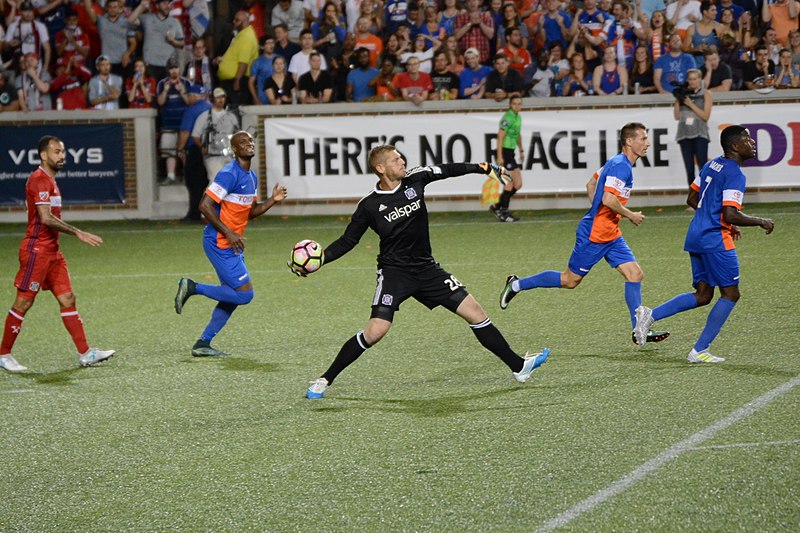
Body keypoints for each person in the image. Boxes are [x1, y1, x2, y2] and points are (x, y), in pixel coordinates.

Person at [297, 145, 550, 399]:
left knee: (476, 313)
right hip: (395, 274)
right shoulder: (369, 206)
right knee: (375, 332)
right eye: (396, 159)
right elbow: (347, 241)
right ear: (380, 168)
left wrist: (481, 168)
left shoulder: (416, 178)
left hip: (427, 269)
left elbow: (448, 170)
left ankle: (519, 366)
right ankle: (324, 379)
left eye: (401, 157)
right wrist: (320, 261)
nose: (402, 161)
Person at [500, 123, 670, 346]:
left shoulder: (616, 162)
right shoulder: (622, 166)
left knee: (635, 274)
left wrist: (598, 210)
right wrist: (630, 215)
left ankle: (639, 330)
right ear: (629, 141)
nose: (647, 143)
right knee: (569, 280)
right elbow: (609, 199)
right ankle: (516, 285)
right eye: (643, 139)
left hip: (610, 233)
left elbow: (590, 184)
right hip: (595, 234)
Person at [633, 126, 775, 362]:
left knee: (703, 294)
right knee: (731, 293)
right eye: (747, 139)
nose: (752, 143)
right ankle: (699, 350)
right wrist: (761, 221)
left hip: (696, 235)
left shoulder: (712, 164)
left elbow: (691, 198)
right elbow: (730, 214)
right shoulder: (736, 174)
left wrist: (713, 215)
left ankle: (649, 314)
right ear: (735, 146)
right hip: (715, 239)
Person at [0, 136, 115, 372]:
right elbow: (45, 218)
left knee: (67, 298)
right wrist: (78, 232)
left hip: (52, 252)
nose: (61, 156)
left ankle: (86, 353)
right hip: (36, 251)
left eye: (63, 152)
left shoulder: (51, 180)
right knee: (23, 302)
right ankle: (3, 354)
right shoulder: (39, 180)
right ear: (44, 155)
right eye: (56, 152)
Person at [174, 131, 287, 357]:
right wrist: (229, 233)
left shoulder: (251, 177)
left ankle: (203, 343)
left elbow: (249, 212)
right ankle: (193, 287)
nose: (249, 144)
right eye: (243, 142)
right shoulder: (228, 174)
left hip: (231, 243)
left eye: (251, 141)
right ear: (234, 149)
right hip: (219, 242)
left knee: (231, 297)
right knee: (244, 295)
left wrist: (272, 201)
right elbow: (204, 206)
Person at [176, 84, 211, 221]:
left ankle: (194, 213)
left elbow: (185, 132)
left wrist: (180, 149)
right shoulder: (209, 107)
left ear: (192, 96)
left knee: (194, 182)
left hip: (196, 149)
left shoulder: (192, 109)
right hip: (211, 150)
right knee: (206, 181)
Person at [127, 0, 184, 83]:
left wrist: (173, 41)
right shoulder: (147, 18)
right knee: (151, 94)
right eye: (164, 3)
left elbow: (182, 44)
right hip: (149, 64)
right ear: (157, 6)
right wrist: (142, 6)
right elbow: (130, 21)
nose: (167, 5)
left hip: (167, 66)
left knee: (164, 93)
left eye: (168, 3)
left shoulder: (175, 22)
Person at [674, 69, 712, 187]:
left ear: (700, 80)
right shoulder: (684, 94)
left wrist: (690, 104)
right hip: (684, 134)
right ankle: (693, 201)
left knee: (702, 167)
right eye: (690, 79)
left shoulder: (706, 94)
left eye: (695, 79)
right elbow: (677, 116)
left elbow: (705, 116)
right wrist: (678, 98)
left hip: (700, 133)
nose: (692, 81)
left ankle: (704, 197)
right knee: (689, 169)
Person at [193, 87, 240, 180]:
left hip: (229, 156)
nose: (221, 100)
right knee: (216, 181)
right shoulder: (204, 116)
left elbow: (237, 134)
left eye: (223, 97)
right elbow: (195, 135)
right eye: (218, 97)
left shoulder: (231, 117)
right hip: (212, 157)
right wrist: (202, 147)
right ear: (212, 99)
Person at [214, 9, 258, 107]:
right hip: (231, 81)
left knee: (237, 109)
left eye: (237, 20)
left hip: (238, 81)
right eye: (234, 19)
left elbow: (243, 62)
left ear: (245, 21)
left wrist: (237, 81)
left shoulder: (246, 37)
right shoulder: (241, 34)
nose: (234, 22)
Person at [156, 56, 190, 183]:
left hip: (184, 124)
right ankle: (171, 176)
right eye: (171, 68)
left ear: (179, 69)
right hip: (168, 124)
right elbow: (160, 102)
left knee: (185, 151)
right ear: (168, 70)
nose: (174, 71)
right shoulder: (162, 83)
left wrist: (182, 92)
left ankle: (187, 176)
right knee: (169, 151)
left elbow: (189, 102)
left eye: (176, 67)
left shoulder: (186, 83)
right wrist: (165, 91)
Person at [82, 0, 136, 79]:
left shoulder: (126, 22)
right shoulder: (101, 21)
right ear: (107, 8)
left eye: (115, 7)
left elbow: (133, 43)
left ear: (119, 9)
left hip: (123, 62)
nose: (112, 9)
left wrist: (127, 54)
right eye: (110, 7)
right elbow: (88, 9)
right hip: (106, 64)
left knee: (123, 89)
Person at [491, 95, 524, 223]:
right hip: (504, 152)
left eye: (519, 103)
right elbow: (500, 137)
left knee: (518, 184)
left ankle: (498, 206)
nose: (517, 106)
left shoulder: (518, 117)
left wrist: (521, 150)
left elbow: (518, 135)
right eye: (515, 103)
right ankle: (504, 212)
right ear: (510, 105)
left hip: (511, 152)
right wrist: (499, 156)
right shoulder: (508, 117)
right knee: (509, 184)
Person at [248, 35, 276, 104]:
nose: (271, 45)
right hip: (263, 99)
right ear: (262, 46)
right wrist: (256, 98)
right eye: (268, 43)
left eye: (272, 42)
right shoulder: (257, 62)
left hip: (278, 99)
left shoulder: (280, 59)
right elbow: (251, 82)